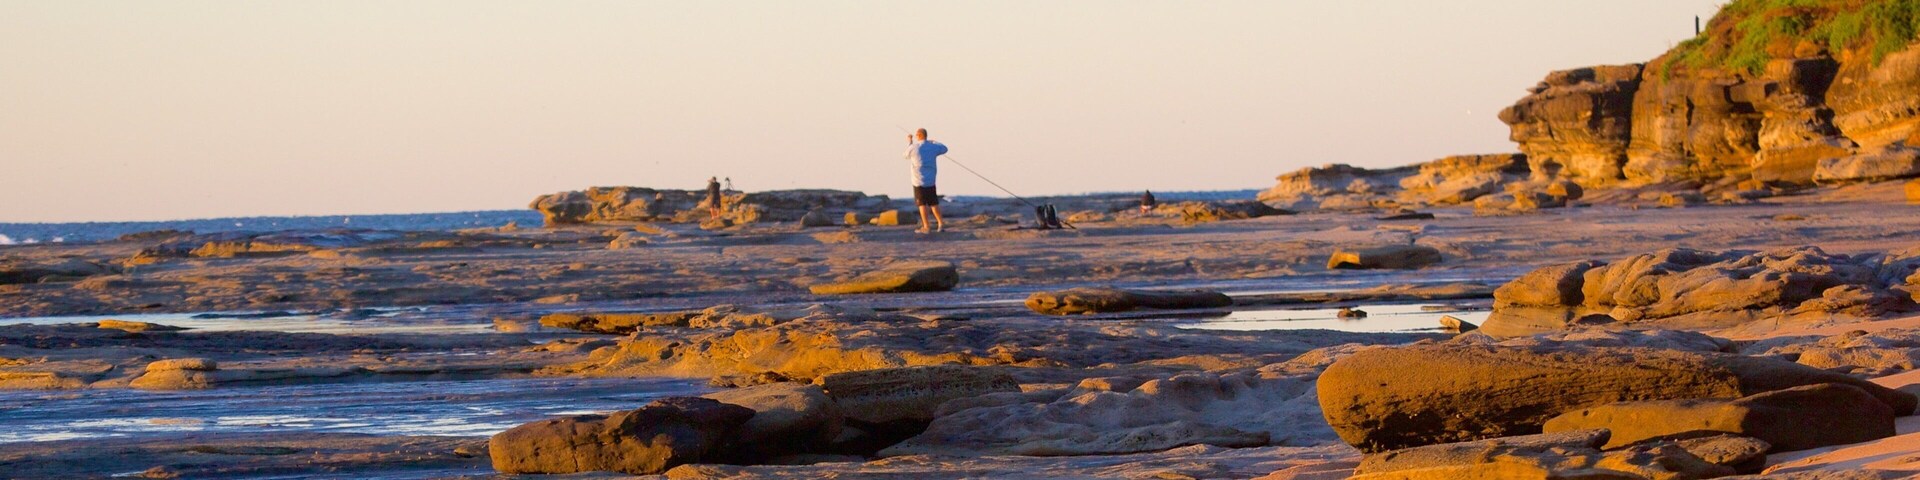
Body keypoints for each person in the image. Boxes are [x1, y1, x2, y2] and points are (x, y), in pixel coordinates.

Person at [904, 128, 948, 233]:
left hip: (918, 181)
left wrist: (910, 142)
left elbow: (905, 155)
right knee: (934, 203)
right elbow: (945, 149)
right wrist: (934, 141)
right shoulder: (932, 147)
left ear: (919, 135)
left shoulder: (914, 147)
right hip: (931, 180)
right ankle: (940, 224)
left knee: (922, 204)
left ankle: (926, 226)